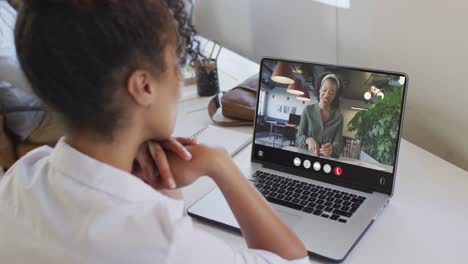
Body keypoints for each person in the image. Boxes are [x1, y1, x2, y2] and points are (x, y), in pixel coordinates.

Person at [0, 1, 308, 263]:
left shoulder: (18, 181)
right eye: (175, 64)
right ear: (144, 87)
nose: (178, 78)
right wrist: (219, 165)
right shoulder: (161, 245)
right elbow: (294, 260)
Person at [296, 72, 344, 158]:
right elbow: (299, 137)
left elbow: (339, 145)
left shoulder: (338, 117)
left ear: (335, 96)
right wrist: (308, 140)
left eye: (331, 93)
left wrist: (332, 148)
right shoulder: (307, 110)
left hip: (326, 162)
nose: (326, 95)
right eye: (324, 90)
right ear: (319, 89)